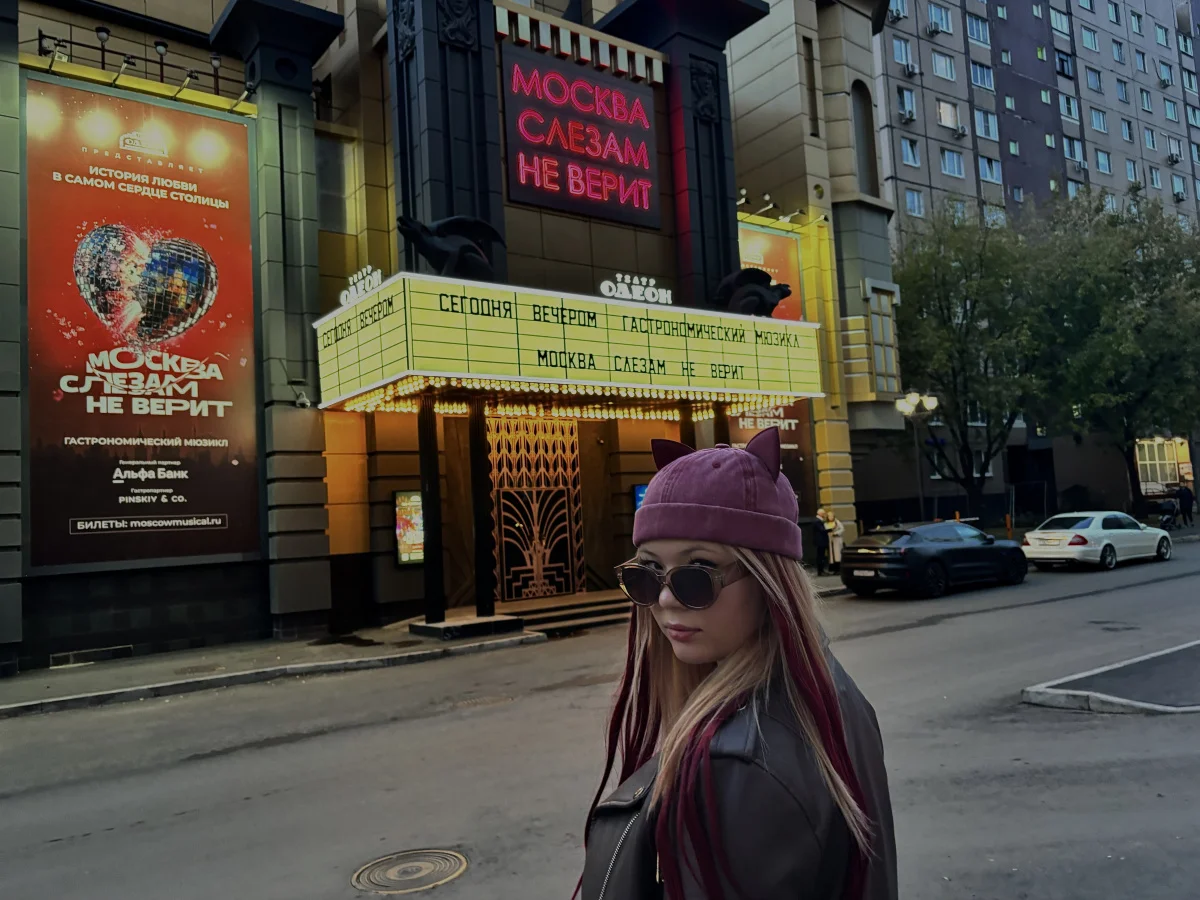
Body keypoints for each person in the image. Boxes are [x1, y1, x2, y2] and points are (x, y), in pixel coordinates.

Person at [581, 429, 897, 900]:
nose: (664, 600)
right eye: (647, 573)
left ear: (770, 580)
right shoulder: (829, 690)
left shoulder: (735, 765)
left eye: (697, 574)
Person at [825, 509, 846, 573]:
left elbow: (842, 529)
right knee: (832, 555)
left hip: (837, 540)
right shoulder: (826, 523)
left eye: (831, 516)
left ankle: (838, 569)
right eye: (829, 516)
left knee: (837, 554)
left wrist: (836, 533)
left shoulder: (837, 522)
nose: (830, 517)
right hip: (830, 540)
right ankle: (834, 569)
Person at [813, 506, 832, 576]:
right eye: (823, 513)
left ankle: (822, 570)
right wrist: (830, 529)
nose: (824, 514)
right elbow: (822, 530)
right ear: (820, 514)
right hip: (820, 542)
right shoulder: (817, 521)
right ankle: (820, 571)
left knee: (821, 556)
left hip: (821, 541)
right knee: (820, 556)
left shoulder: (819, 520)